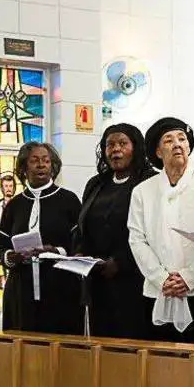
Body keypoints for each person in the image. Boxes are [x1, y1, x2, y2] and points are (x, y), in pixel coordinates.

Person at [128, 117, 194, 343]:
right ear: (158, 152)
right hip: (158, 289)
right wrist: (161, 278)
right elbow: (137, 239)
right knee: (160, 363)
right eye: (169, 140)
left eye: (182, 139)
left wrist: (188, 278)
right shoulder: (142, 191)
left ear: (189, 147)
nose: (177, 144)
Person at [75, 124, 155, 339]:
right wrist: (81, 253)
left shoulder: (150, 181)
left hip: (137, 279)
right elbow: (84, 225)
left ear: (135, 148)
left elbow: (154, 233)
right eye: (110, 145)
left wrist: (120, 262)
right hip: (99, 280)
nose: (115, 150)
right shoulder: (96, 184)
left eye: (122, 144)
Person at [0, 142, 82, 334]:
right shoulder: (14, 205)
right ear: (24, 167)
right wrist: (10, 256)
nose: (41, 165)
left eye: (46, 161)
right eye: (34, 161)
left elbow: (81, 243)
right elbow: (0, 246)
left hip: (60, 287)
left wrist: (56, 251)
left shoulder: (69, 200)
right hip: (20, 289)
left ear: (53, 166)